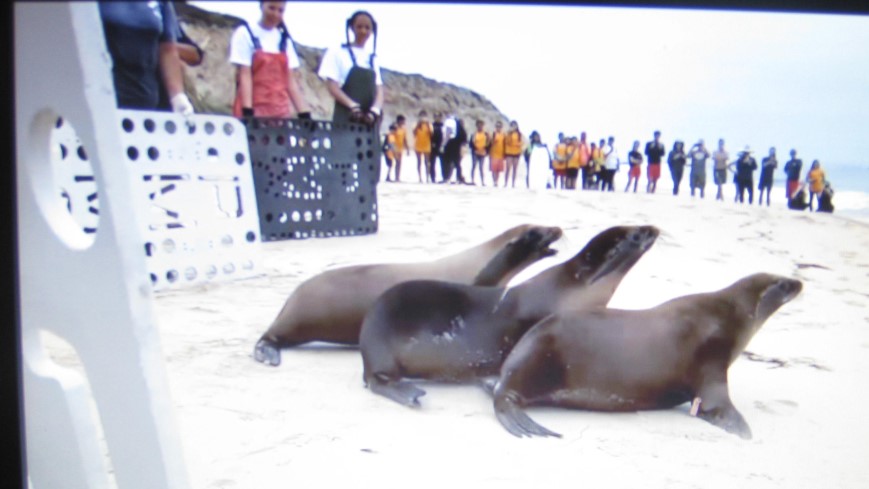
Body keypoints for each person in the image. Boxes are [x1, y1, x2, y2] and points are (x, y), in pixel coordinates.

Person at [98, 1, 194, 118]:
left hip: (145, 97)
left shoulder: (161, 3)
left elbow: (167, 49)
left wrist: (177, 96)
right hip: (104, 95)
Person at [229, 1, 311, 119]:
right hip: (254, 107)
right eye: (271, 8)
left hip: (280, 112)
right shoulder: (245, 33)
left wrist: (304, 113)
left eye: (280, 10)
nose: (275, 14)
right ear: (261, 6)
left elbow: (290, 81)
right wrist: (247, 111)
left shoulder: (285, 40)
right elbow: (244, 75)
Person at [318, 10, 383, 126]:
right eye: (359, 27)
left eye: (367, 28)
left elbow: (380, 89)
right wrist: (353, 106)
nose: (363, 31)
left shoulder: (373, 58)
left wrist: (375, 110)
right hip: (346, 117)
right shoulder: (336, 52)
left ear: (372, 31)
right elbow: (332, 86)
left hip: (369, 121)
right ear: (351, 28)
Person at [441, 117, 467, 184]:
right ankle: (452, 178)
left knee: (453, 164)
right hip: (454, 149)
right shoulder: (459, 130)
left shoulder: (455, 129)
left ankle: (449, 178)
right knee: (455, 164)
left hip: (454, 149)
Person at [412, 110, 433, 183]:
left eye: (424, 116)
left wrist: (428, 124)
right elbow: (414, 133)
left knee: (427, 162)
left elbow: (431, 134)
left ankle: (427, 177)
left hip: (426, 145)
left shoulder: (429, 124)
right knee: (419, 162)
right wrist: (418, 124)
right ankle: (420, 177)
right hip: (418, 145)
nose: (423, 118)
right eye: (421, 116)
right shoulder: (416, 124)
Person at [469, 120, 491, 186]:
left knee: (481, 167)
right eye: (478, 125)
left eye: (481, 125)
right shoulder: (474, 134)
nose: (480, 126)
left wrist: (486, 151)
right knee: (474, 166)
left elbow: (489, 144)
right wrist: (475, 149)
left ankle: (482, 182)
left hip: (482, 153)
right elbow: (471, 143)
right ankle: (472, 180)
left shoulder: (486, 134)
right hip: (475, 152)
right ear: (476, 126)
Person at [504, 121, 524, 188]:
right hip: (509, 152)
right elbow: (507, 142)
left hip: (516, 153)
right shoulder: (508, 133)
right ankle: (506, 182)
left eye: (514, 125)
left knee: (515, 169)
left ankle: (513, 183)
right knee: (508, 168)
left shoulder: (519, 134)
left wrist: (519, 147)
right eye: (512, 125)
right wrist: (510, 133)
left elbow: (521, 143)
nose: (513, 127)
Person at [391, 115, 409, 182]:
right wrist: (392, 147)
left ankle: (397, 177)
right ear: (399, 121)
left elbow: (405, 139)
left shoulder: (403, 129)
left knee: (399, 163)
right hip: (394, 147)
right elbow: (391, 137)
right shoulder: (394, 128)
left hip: (400, 149)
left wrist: (407, 149)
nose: (404, 122)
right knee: (393, 162)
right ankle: (389, 176)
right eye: (403, 120)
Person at [489, 121, 506, 187]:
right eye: (497, 126)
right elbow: (489, 143)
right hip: (493, 153)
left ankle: (496, 181)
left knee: (498, 170)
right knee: (493, 169)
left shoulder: (503, 134)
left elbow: (504, 144)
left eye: (500, 126)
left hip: (501, 154)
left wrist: (505, 153)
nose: (498, 128)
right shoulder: (493, 134)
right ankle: (494, 181)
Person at [430, 112, 445, 183]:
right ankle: (433, 178)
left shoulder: (444, 126)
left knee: (443, 163)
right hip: (433, 147)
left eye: (439, 117)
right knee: (432, 163)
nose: (438, 118)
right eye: (436, 117)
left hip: (441, 146)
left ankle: (444, 177)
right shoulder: (431, 126)